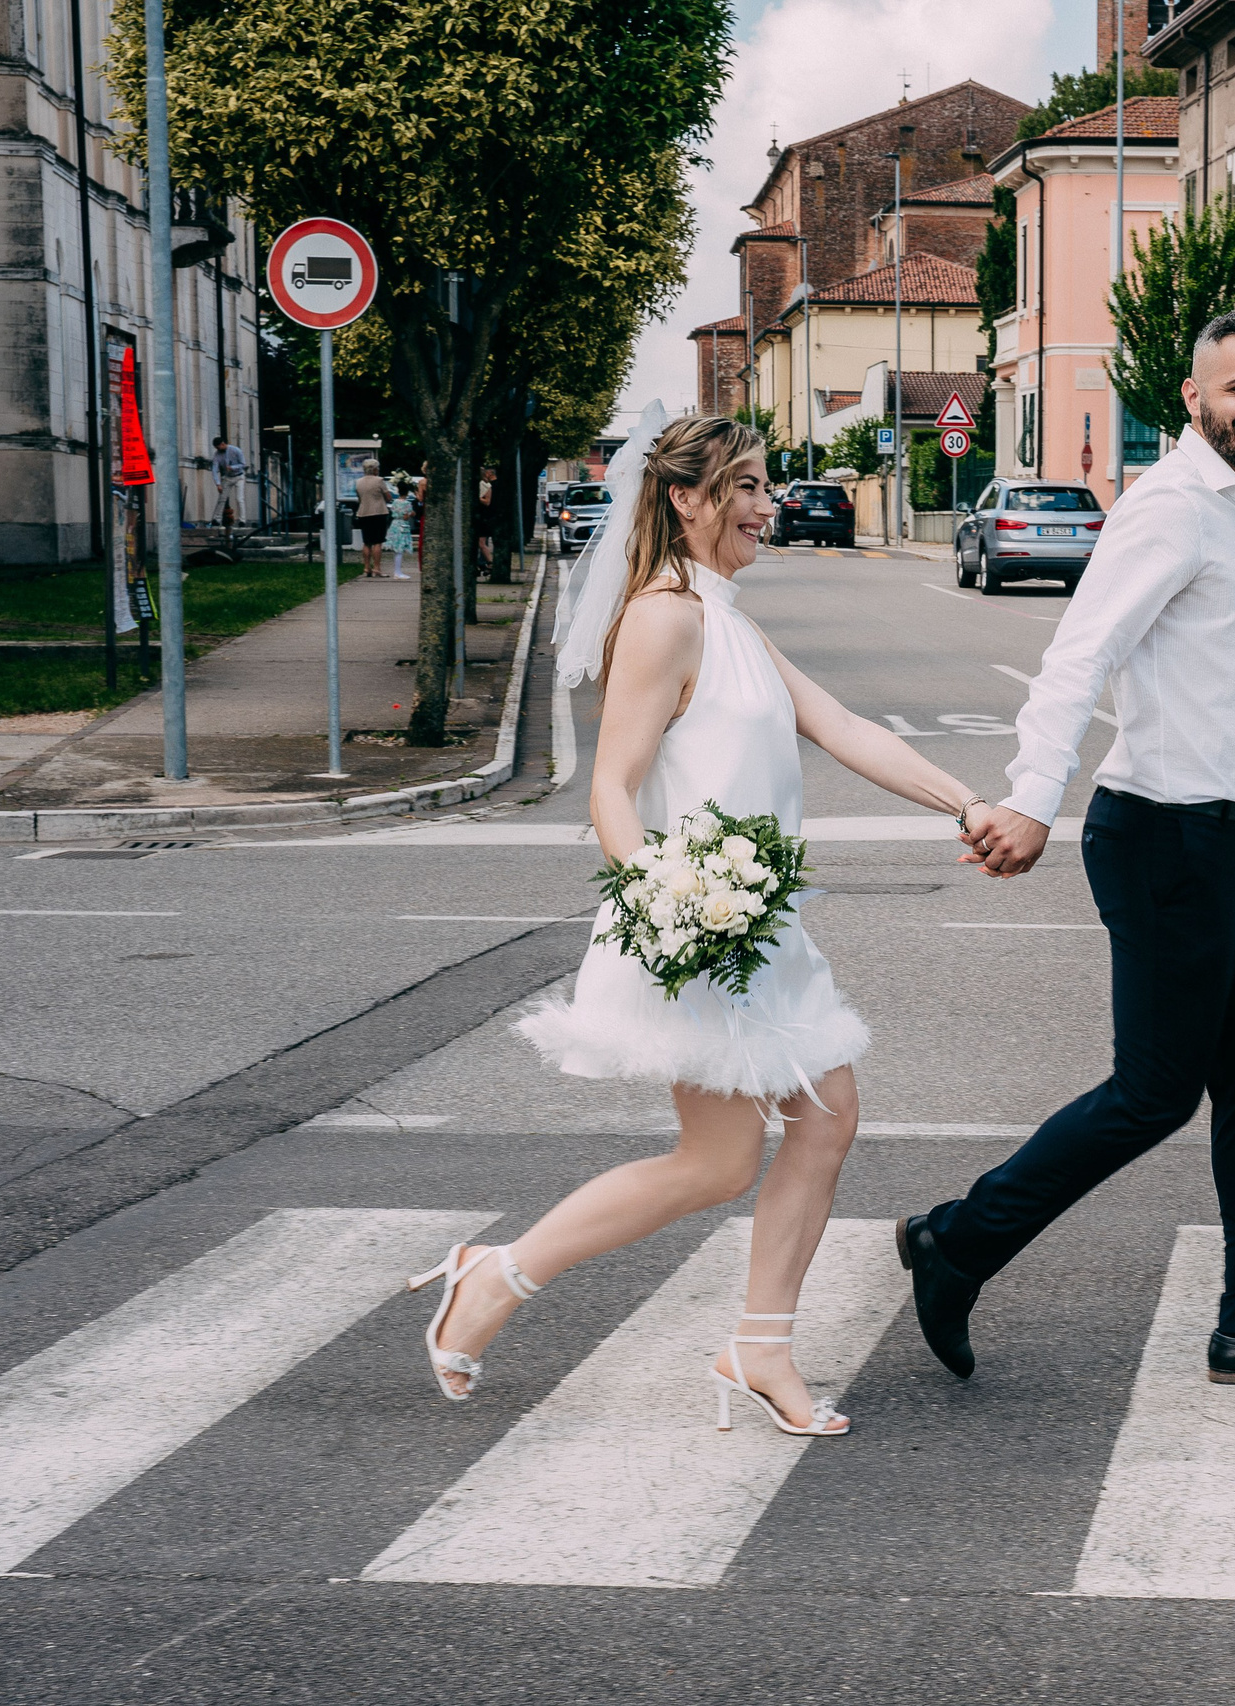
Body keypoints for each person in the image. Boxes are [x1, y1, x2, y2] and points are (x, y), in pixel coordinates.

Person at [409, 413, 1009, 1437]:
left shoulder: (727, 616)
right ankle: (498, 1275)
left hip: (755, 922)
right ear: (683, 497)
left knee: (780, 1136)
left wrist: (967, 804)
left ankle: (748, 1340)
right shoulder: (663, 618)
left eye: (762, 484)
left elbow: (844, 725)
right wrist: (669, 909)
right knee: (746, 1148)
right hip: (701, 924)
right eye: (740, 486)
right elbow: (611, 788)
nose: (762, 503)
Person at [898, 308, 1235, 1390]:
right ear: (1194, 401)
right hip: (1162, 843)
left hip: (1226, 844)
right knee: (1153, 1092)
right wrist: (1029, 800)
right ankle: (955, 1241)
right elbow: (1078, 659)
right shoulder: (1168, 509)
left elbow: (1180, 679)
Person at [353, 458, 391, 580]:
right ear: (374, 469)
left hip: (363, 513)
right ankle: (377, 568)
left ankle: (366, 567)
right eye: (377, 468)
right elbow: (388, 497)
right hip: (378, 512)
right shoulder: (379, 481)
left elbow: (359, 498)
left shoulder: (358, 482)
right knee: (377, 542)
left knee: (367, 541)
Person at [210, 436, 246, 536]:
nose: (217, 449)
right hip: (227, 477)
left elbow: (243, 464)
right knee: (222, 498)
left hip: (239, 476)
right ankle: (216, 519)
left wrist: (233, 467)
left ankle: (242, 520)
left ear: (222, 444)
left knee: (240, 498)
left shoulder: (236, 450)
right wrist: (218, 484)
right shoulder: (217, 455)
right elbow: (214, 469)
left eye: (218, 447)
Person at [383, 477, 415, 578]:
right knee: (400, 548)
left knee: (396, 548)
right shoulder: (407, 504)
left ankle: (397, 571)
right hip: (402, 525)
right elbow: (405, 517)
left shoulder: (395, 502)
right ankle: (398, 572)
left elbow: (393, 511)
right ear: (407, 492)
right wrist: (411, 514)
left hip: (394, 524)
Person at [474, 466, 498, 579]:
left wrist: (477, 498)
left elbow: (487, 501)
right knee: (479, 542)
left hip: (483, 517)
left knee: (481, 542)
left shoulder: (485, 485)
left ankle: (490, 562)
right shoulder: (482, 484)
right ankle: (481, 564)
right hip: (480, 517)